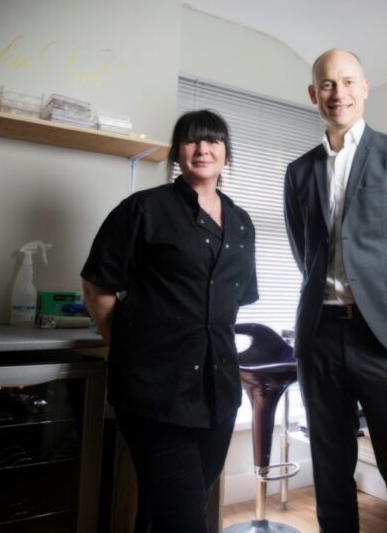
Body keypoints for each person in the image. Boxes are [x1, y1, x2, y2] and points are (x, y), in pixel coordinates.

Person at [283, 49, 387, 532]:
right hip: (319, 336)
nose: (339, 93)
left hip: (385, 340)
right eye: (327, 84)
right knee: (331, 475)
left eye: (348, 81)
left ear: (365, 87)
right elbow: (304, 251)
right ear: (313, 94)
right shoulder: (299, 171)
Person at [81, 109, 258, 532]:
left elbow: (231, 304)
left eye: (213, 140)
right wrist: (127, 347)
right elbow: (97, 287)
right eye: (192, 140)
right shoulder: (144, 209)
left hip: (219, 394)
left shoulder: (241, 223)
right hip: (155, 394)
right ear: (178, 152)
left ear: (226, 153)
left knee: (170, 509)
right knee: (184, 520)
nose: (203, 149)